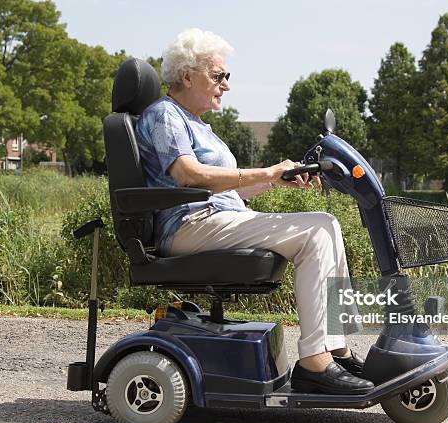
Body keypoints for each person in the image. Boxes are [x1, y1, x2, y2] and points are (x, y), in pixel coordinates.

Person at [135, 28, 374, 395]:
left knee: (327, 226)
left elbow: (230, 186)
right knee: (318, 229)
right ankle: (315, 362)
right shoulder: (166, 115)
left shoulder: (198, 124)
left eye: (226, 76)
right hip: (189, 224)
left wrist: (279, 178)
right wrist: (265, 172)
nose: (226, 85)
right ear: (186, 75)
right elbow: (188, 175)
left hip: (215, 218)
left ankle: (336, 352)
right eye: (218, 76)